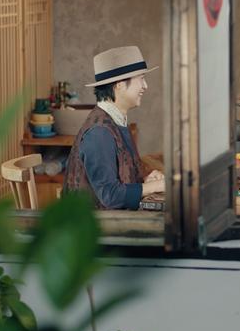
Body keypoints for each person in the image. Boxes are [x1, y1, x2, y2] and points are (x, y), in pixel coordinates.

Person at [64, 46, 165, 209]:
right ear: (119, 84)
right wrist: (155, 186)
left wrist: (145, 183)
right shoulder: (99, 133)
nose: (145, 86)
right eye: (141, 79)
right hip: (94, 223)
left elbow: (119, 181)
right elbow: (110, 196)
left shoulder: (114, 121)